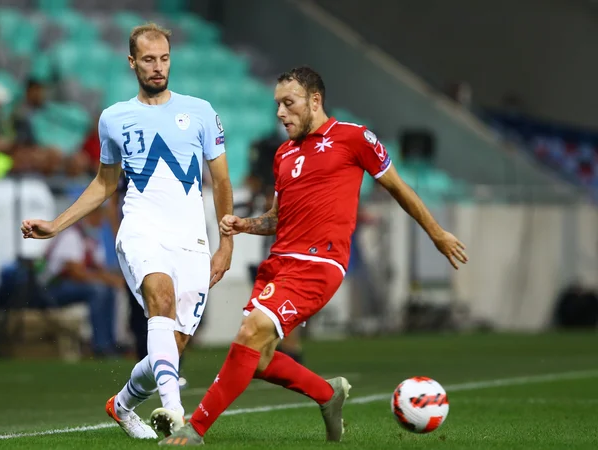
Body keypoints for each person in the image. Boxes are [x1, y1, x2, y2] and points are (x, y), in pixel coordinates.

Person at [159, 66, 468, 446]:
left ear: (315, 101)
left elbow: (398, 188)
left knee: (250, 333)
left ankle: (197, 428)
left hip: (319, 264)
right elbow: (277, 218)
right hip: (279, 263)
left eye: (289, 104)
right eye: (277, 105)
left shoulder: (355, 138)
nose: (280, 113)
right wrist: (244, 224)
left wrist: (437, 234)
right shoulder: (284, 154)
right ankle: (327, 393)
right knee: (258, 358)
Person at [20, 23, 233, 439]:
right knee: (161, 299)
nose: (158, 68)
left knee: (170, 347)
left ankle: (121, 405)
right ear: (132, 62)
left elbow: (222, 182)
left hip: (191, 238)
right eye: (149, 60)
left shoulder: (202, 112)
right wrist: (56, 225)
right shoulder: (113, 118)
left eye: (164, 59)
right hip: (140, 229)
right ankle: (175, 416)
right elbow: (104, 183)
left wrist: (227, 245)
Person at [39, 205, 122, 357]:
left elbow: (98, 268)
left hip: (73, 286)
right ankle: (100, 345)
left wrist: (114, 280)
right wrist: (102, 280)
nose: (100, 222)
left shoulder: (91, 239)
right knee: (99, 290)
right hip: (54, 289)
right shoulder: (72, 235)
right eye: (97, 217)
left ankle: (111, 342)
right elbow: (75, 272)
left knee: (109, 290)